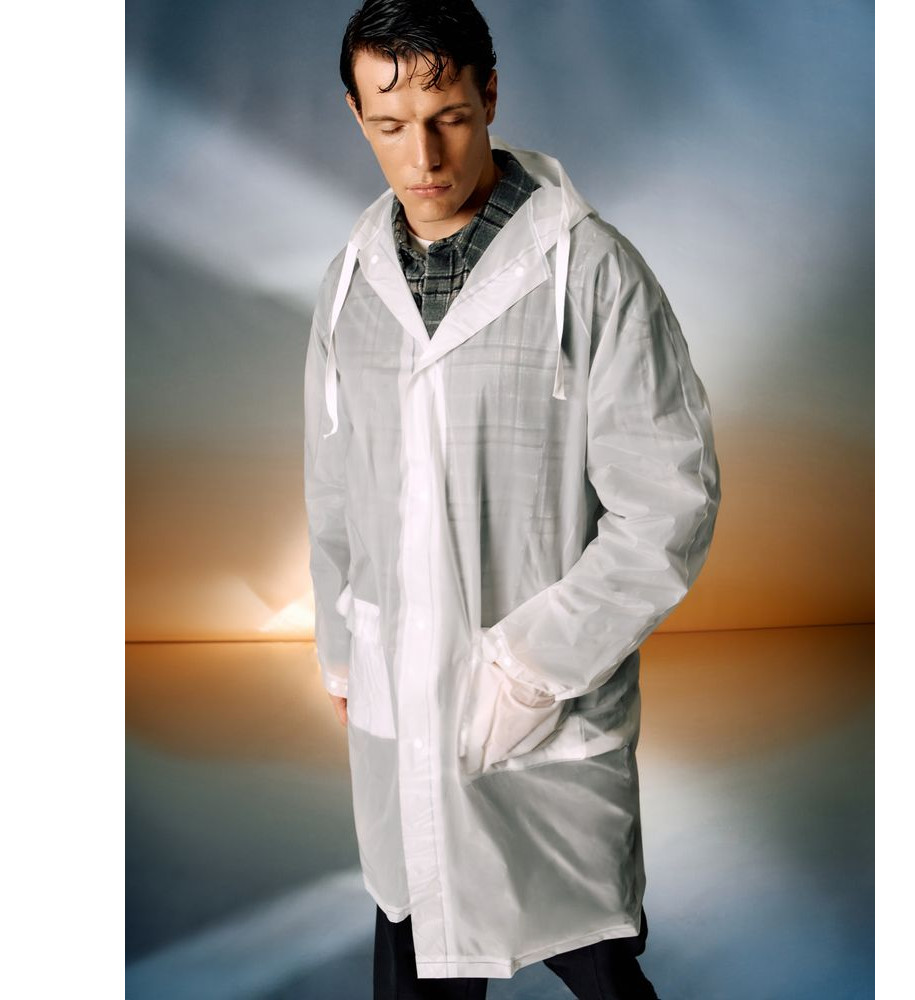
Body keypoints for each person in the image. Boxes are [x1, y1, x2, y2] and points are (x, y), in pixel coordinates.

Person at [303, 1, 722, 996]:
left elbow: (667, 502)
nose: (422, 158)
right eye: (389, 125)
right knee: (416, 933)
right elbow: (333, 479)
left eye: (446, 116)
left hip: (542, 710)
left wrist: (533, 668)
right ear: (356, 115)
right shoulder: (350, 284)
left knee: (590, 951)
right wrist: (343, 642)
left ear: (489, 94)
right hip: (404, 703)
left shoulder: (592, 271)